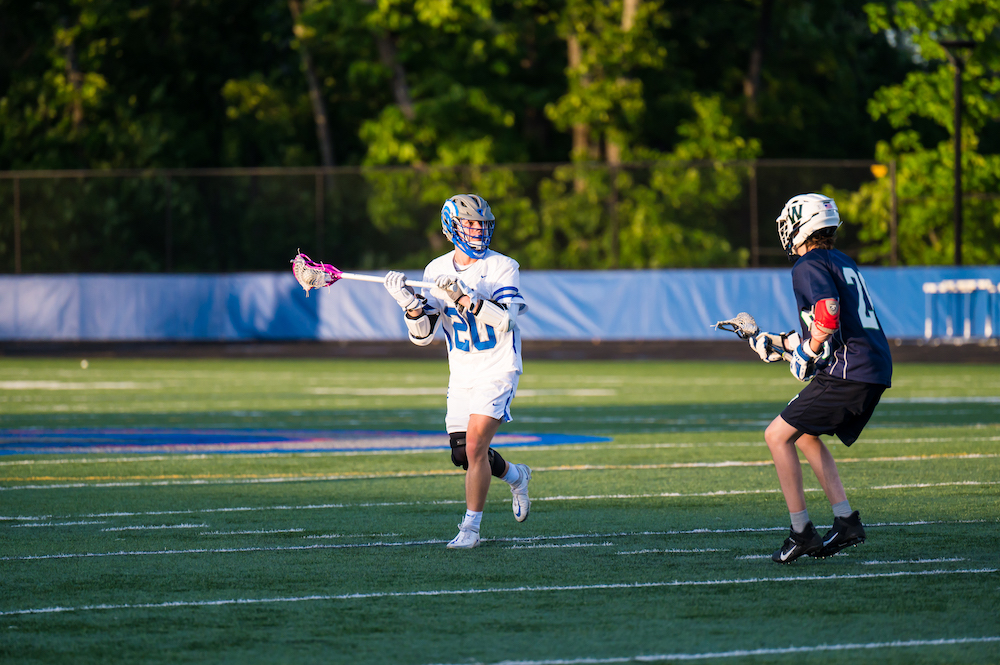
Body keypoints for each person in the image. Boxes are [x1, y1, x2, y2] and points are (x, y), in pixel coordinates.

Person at [747, 193, 893, 564]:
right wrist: (781, 344)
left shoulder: (807, 264)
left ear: (801, 224)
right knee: (806, 435)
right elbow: (830, 329)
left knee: (776, 435)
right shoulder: (841, 260)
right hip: (870, 366)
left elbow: (826, 315)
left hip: (851, 370)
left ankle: (801, 532)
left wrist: (807, 351)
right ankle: (845, 521)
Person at [382, 194, 532, 549]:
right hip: (462, 372)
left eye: (482, 223)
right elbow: (423, 337)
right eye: (470, 223)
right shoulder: (435, 270)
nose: (478, 230)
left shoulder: (502, 266)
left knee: (478, 445)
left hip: (497, 367)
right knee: (463, 454)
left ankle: (470, 529)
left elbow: (506, 321)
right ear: (452, 228)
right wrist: (411, 307)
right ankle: (516, 475)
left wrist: (466, 298)